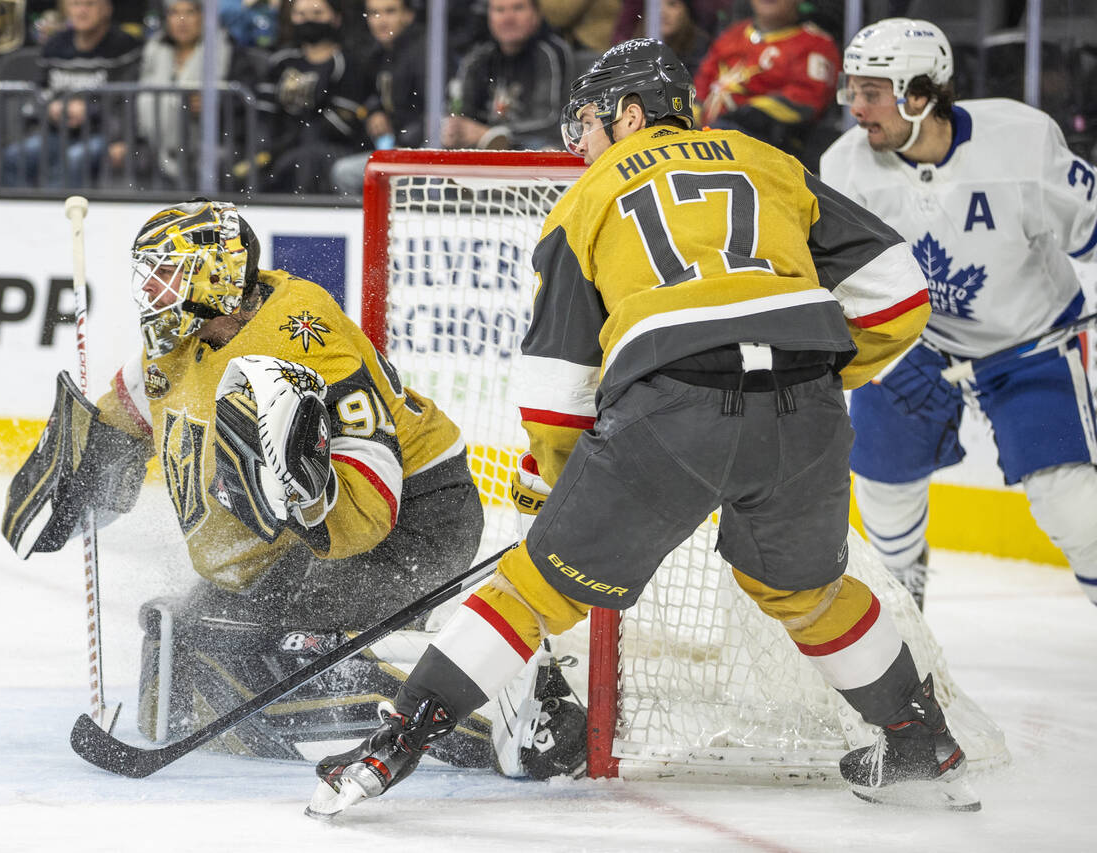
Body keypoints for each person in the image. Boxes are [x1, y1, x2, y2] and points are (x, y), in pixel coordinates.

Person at [307, 38, 981, 818]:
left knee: (531, 590)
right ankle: (918, 735)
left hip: (673, 413)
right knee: (806, 592)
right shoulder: (767, 160)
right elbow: (899, 293)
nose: (580, 142)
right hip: (809, 416)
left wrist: (560, 476)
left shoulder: (586, 199)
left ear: (632, 114)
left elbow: (558, 394)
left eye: (588, 123)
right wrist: (820, 374)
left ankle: (393, 744)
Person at [0, 199, 503, 766]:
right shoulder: (180, 340)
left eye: (165, 271)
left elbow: (371, 500)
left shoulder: (299, 332)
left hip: (414, 521)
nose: (151, 291)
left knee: (257, 651)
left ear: (214, 274)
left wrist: (310, 499)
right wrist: (79, 466)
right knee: (184, 641)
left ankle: (483, 717)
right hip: (311, 533)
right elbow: (128, 412)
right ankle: (298, 702)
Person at [820, 18, 1097, 610]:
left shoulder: (1021, 142)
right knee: (882, 489)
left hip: (1031, 342)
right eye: (851, 90)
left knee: (1075, 509)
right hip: (917, 343)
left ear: (920, 94)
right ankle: (904, 614)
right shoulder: (845, 166)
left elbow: (1091, 228)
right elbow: (845, 281)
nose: (855, 108)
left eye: (872, 93)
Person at [109, 0, 258, 188]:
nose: (182, 20)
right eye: (174, 13)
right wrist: (122, 138)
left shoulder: (228, 52)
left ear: (205, 17)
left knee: (217, 162)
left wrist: (216, 106)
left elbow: (245, 102)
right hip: (150, 145)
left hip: (211, 145)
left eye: (190, 12)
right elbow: (125, 100)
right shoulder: (149, 53)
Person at [0, 0, 142, 188]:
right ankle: (21, 215)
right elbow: (39, 92)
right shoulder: (54, 45)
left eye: (89, 4)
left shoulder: (124, 45)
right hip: (58, 132)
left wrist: (90, 109)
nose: (81, 11)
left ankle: (59, 216)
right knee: (14, 157)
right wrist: (50, 107)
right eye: (75, 4)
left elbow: (128, 100)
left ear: (107, 9)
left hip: (104, 133)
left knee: (74, 159)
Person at [692, 0, 839, 159]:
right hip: (706, 140)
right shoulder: (732, 35)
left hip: (768, 150)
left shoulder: (816, 44)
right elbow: (701, 85)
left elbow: (804, 101)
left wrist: (740, 118)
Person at [253, 0, 369, 193]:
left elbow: (344, 121)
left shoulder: (349, 63)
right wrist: (268, 144)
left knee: (303, 161)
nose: (309, 21)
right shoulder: (281, 61)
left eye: (317, 14)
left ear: (336, 18)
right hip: (281, 146)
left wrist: (298, 136)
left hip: (334, 147)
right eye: (301, 14)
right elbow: (264, 112)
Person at [442, 0, 572, 151]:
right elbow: (463, 112)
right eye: (499, 10)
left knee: (544, 147)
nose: (508, 18)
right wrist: (455, 129)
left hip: (531, 146)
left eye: (518, 8)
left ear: (536, 14)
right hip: (483, 145)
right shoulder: (479, 57)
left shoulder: (550, 53)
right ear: (489, 16)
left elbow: (550, 121)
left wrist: (494, 134)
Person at [328, 0, 424, 196]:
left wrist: (408, 142)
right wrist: (374, 112)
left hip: (423, 153)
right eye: (374, 13)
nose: (381, 21)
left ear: (408, 15)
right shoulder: (376, 55)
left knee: (345, 173)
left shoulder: (426, 52)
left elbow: (438, 109)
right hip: (395, 148)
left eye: (390, 12)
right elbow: (369, 95)